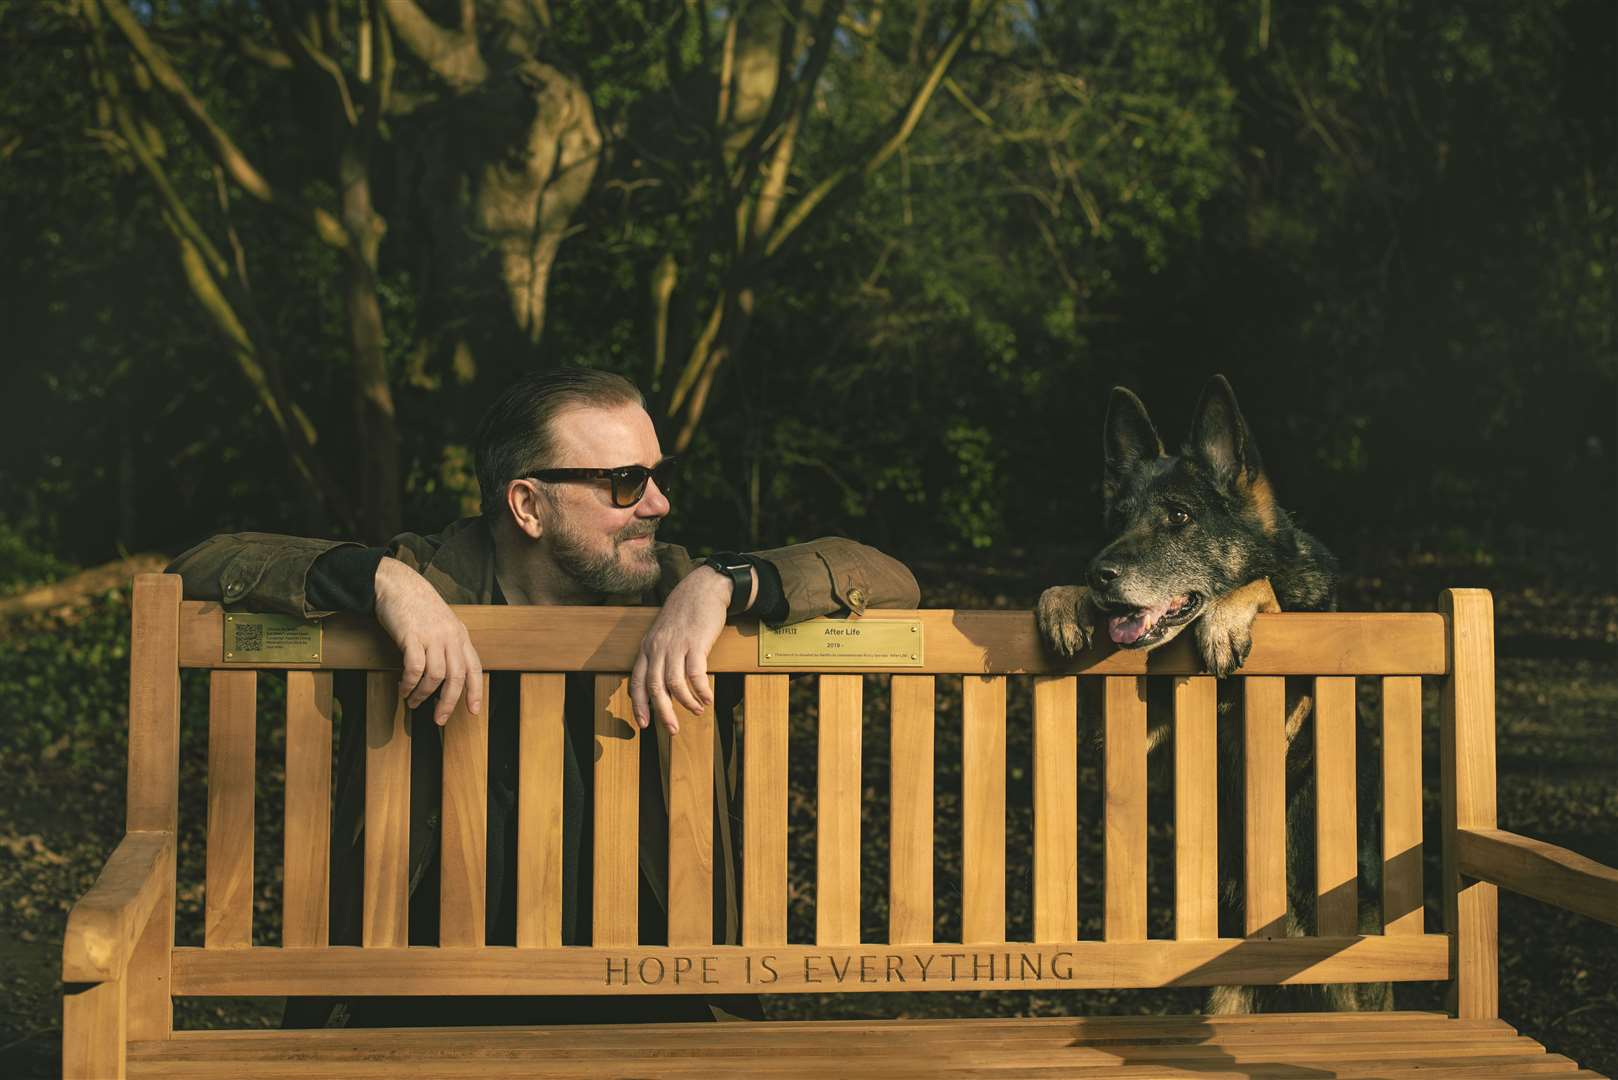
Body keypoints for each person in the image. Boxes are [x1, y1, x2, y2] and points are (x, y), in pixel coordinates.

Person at [168, 367, 919, 1025]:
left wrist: (726, 580)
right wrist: (380, 581)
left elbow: (887, 577)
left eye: (658, 477)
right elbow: (204, 562)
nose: (657, 504)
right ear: (527, 505)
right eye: (626, 482)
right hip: (418, 996)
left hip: (653, 998)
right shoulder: (423, 582)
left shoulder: (683, 589)